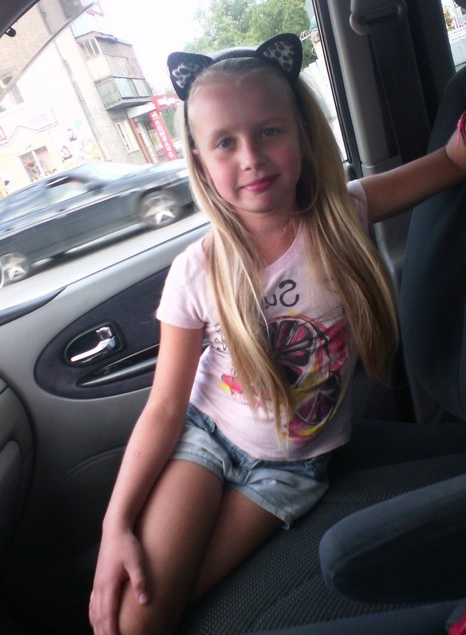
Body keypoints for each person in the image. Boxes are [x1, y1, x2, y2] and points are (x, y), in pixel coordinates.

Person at [89, 33, 466, 635]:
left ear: (303, 135)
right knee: (134, 617)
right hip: (206, 441)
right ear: (200, 160)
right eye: (225, 142)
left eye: (270, 131)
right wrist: (117, 525)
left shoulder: (344, 217)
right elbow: (164, 408)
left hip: (291, 469)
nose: (251, 157)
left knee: (154, 614)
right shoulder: (198, 269)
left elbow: (448, 163)